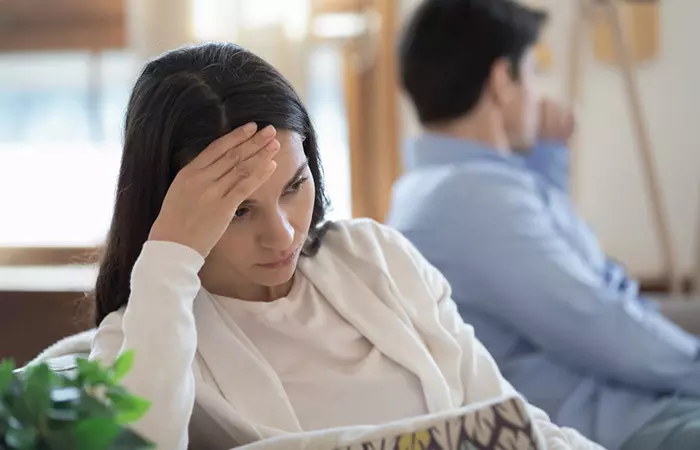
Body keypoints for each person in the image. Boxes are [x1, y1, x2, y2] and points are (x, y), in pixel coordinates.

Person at [84, 43, 600, 450]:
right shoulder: (144, 336)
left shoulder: (375, 258)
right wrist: (169, 256)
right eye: (239, 210)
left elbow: (506, 418)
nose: (283, 234)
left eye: (294, 185)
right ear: (173, 212)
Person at [387, 1, 700, 450]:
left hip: (621, 400)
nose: (538, 92)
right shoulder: (473, 200)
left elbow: (563, 254)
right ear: (501, 81)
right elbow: (596, 324)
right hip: (606, 419)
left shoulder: (442, 186)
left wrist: (546, 151)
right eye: (532, 72)